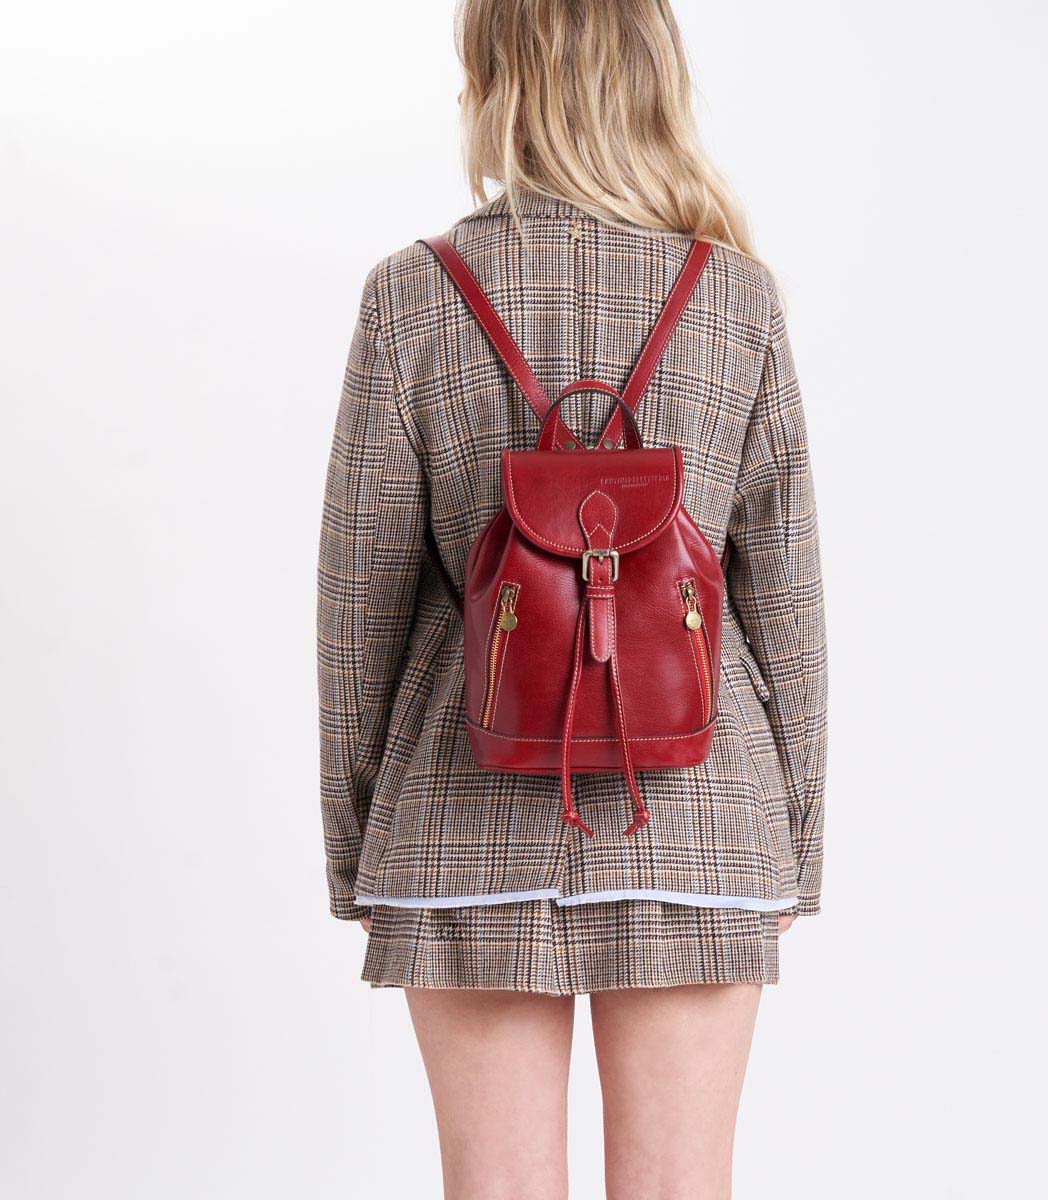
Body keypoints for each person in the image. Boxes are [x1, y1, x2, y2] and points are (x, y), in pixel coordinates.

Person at [317, 2, 827, 1196]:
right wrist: (795, 846)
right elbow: (786, 596)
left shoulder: (410, 295)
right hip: (700, 817)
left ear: (497, 83)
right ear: (653, 79)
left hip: (461, 820)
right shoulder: (735, 298)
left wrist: (359, 849)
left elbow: (358, 606)